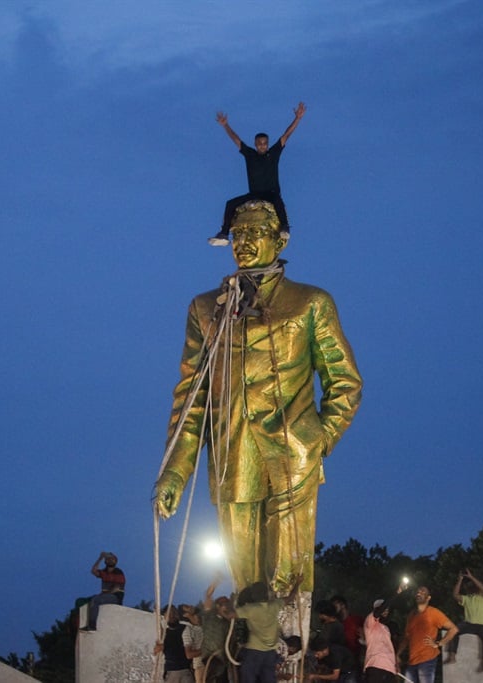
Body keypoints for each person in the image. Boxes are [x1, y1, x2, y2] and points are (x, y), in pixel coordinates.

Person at [154, 199, 363, 605]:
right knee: (247, 586)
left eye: (255, 233)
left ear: (279, 240)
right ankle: (249, 661)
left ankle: (289, 656)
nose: (244, 242)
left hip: (293, 453)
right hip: (233, 456)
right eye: (237, 234)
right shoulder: (206, 308)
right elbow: (191, 397)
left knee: (289, 581)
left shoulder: (310, 302)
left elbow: (345, 382)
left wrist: (316, 441)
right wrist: (175, 471)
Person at [209, 103, 306, 245]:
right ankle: (224, 233)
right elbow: (236, 140)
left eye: (265, 143)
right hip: (255, 194)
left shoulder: (272, 154)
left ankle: (285, 227)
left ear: (267, 144)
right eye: (259, 143)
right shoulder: (250, 155)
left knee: (277, 201)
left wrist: (297, 119)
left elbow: (286, 135)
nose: (262, 145)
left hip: (271, 193)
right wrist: (225, 125)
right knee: (230, 204)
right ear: (255, 144)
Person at [234, 577, 302, 683]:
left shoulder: (249, 609)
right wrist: (298, 583)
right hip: (263, 653)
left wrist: (222, 610)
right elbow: (291, 597)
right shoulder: (274, 605)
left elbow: (231, 615)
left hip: (252, 652)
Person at [397, 586, 458, 683]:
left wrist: (438, 643)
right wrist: (398, 654)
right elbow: (407, 637)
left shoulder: (433, 613)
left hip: (427, 660)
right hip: (412, 661)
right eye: (417, 592)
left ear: (428, 598)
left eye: (423, 592)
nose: (419, 593)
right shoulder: (411, 615)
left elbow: (453, 629)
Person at [444, 568, 483, 672]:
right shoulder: (466, 599)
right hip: (469, 624)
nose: (469, 589)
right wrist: (460, 580)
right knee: (453, 631)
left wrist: (471, 577)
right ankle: (452, 657)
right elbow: (455, 595)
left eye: (471, 587)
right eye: (468, 588)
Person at [200, 576, 236, 683]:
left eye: (228, 605)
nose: (227, 607)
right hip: (211, 657)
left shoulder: (229, 622)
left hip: (223, 659)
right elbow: (208, 595)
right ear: (218, 606)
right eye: (224, 605)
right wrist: (215, 582)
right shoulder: (209, 616)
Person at [155, 605, 200, 683]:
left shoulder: (186, 628)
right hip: (171, 671)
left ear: (178, 615)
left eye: (174, 613)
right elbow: (157, 651)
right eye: (169, 614)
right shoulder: (165, 633)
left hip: (186, 671)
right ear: (165, 617)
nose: (172, 616)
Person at [83, 551, 125, 630]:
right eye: (108, 559)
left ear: (116, 561)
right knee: (89, 600)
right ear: (105, 561)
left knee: (96, 600)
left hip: (115, 597)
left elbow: (117, 588)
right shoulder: (104, 572)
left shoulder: (118, 572)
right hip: (106, 595)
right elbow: (93, 571)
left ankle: (92, 626)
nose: (110, 560)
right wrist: (100, 558)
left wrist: (102, 595)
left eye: (112, 559)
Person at [362, 599, 398, 683]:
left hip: (390, 667)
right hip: (375, 664)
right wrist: (396, 593)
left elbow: (389, 648)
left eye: (387, 609)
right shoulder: (370, 622)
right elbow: (378, 612)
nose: (385, 611)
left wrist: (395, 663)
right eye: (383, 608)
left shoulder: (386, 628)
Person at [332, 595, 365, 665]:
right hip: (341, 661)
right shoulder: (334, 624)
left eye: (334, 605)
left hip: (356, 659)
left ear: (342, 605)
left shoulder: (357, 620)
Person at [182, 603, 207, 683]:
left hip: (213, 664)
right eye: (195, 615)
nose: (199, 617)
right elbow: (189, 654)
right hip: (200, 665)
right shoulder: (188, 631)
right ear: (188, 616)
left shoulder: (205, 627)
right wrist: (207, 650)